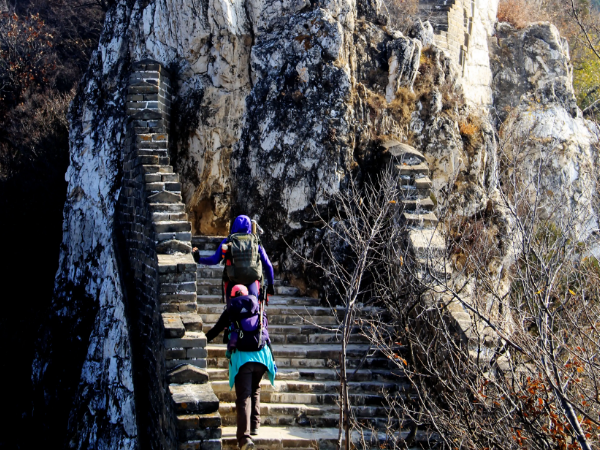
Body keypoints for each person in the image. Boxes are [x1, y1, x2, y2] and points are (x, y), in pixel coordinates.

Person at [194, 216, 277, 450]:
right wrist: (270, 285)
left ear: (233, 228)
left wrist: (199, 259)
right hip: (254, 291)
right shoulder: (255, 242)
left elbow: (213, 259)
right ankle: (256, 424)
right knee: (255, 317)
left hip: (232, 289)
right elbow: (269, 267)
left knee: (232, 317)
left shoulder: (228, 243)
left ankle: (234, 344)